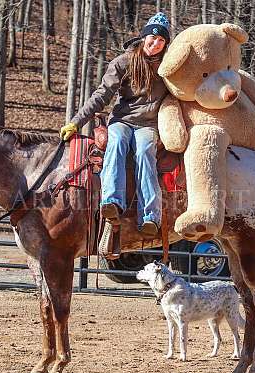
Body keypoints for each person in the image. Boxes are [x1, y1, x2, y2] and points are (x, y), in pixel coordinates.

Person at [60, 12, 171, 239]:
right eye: (153, 38)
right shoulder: (124, 62)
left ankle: (150, 216)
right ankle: (111, 201)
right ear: (144, 37)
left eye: (162, 41)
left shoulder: (168, 67)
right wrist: (75, 122)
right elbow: (102, 95)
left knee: (144, 152)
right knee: (117, 142)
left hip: (148, 125)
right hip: (122, 120)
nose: (156, 44)